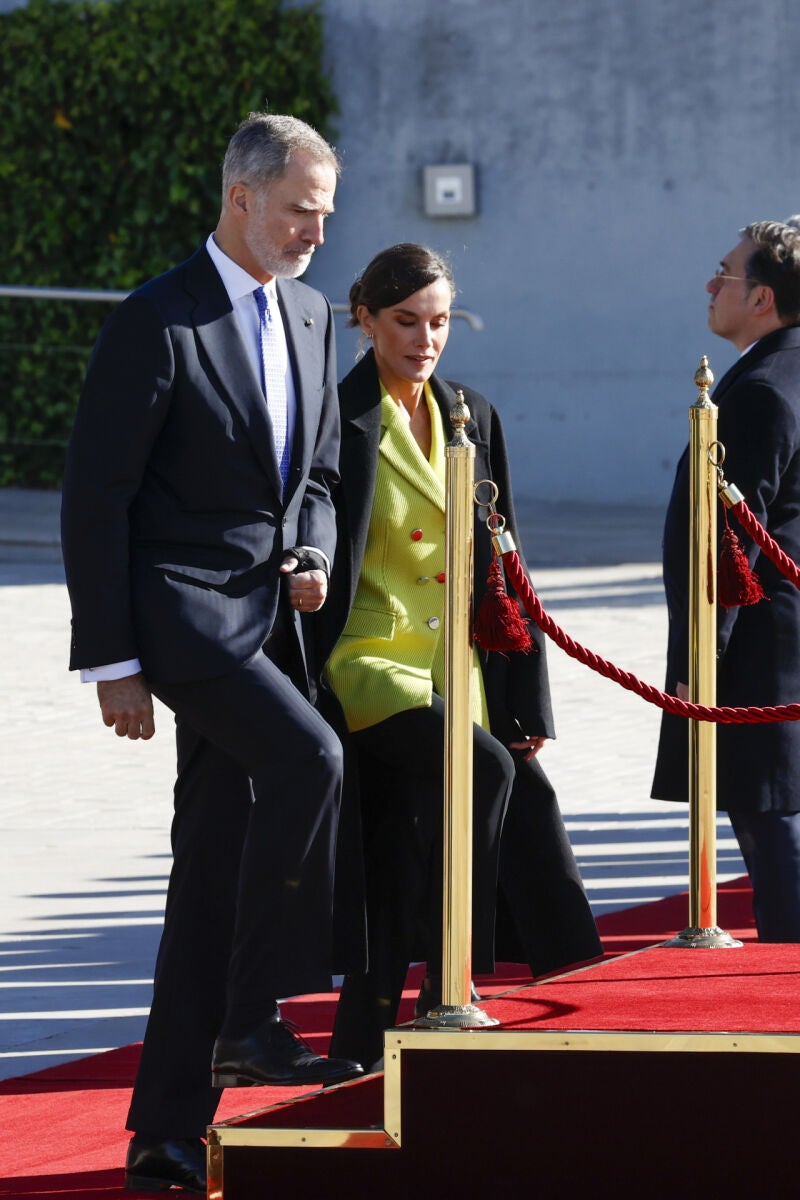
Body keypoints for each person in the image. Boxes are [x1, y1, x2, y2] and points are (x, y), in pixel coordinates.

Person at [60, 112, 364, 1196]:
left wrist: (315, 552)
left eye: (324, 216)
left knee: (205, 879)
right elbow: (98, 500)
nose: (314, 234)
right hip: (181, 617)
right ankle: (251, 1017)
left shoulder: (316, 313)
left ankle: (164, 1130)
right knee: (312, 761)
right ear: (240, 198)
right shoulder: (156, 320)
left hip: (269, 621)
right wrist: (112, 664)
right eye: (298, 212)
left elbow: (319, 479)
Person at [310, 243, 601, 1071]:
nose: (425, 338)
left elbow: (508, 565)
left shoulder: (473, 412)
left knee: (430, 837)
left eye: (439, 322)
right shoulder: (339, 417)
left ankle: (363, 1044)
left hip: (459, 671)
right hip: (368, 660)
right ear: (364, 320)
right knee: (485, 772)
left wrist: (526, 701)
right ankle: (452, 985)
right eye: (406, 322)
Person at [652, 220, 800, 943]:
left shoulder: (761, 392)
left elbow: (728, 543)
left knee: (775, 828)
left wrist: (696, 664)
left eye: (725, 273)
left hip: (763, 650)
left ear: (764, 299)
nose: (711, 286)